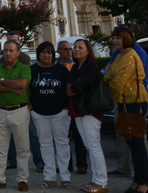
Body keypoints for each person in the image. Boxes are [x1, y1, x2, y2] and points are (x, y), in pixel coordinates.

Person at [104, 27, 148, 193]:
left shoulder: (130, 56)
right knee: (131, 142)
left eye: (119, 38)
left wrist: (110, 79)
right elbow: (107, 76)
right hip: (124, 103)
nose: (115, 41)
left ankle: (144, 182)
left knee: (137, 144)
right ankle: (138, 181)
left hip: (134, 103)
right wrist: (110, 78)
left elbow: (117, 83)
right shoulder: (120, 56)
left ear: (127, 38)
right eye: (114, 37)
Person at [0, 40, 32, 192]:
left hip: (20, 111)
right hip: (0, 111)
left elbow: (23, 84)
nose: (8, 53)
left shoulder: (25, 68)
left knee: (22, 148)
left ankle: (22, 179)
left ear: (18, 53)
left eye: (11, 50)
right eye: (5, 50)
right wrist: (12, 87)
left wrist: (3, 81)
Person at [65, 39, 107, 193]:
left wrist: (72, 87)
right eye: (74, 47)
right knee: (89, 145)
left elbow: (78, 86)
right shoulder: (76, 67)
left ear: (88, 50)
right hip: (78, 110)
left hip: (90, 110)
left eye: (80, 47)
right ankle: (95, 179)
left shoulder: (91, 66)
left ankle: (101, 181)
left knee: (94, 145)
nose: (76, 49)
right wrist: (72, 87)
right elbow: (68, 85)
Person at [29, 41, 72, 189]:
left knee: (62, 144)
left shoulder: (60, 68)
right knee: (45, 144)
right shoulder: (33, 69)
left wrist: (67, 106)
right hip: (39, 114)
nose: (46, 55)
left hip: (60, 112)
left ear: (53, 54)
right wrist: (31, 107)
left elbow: (71, 85)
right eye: (43, 52)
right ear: (38, 54)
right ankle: (49, 177)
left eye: (49, 52)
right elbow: (27, 88)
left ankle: (65, 177)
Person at [2, 32, 43, 173]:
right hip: (10, 100)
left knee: (32, 133)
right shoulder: (2, 60)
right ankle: (12, 160)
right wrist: (9, 84)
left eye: (15, 41)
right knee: (12, 134)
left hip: (26, 102)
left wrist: (5, 83)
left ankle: (39, 161)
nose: (13, 44)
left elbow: (23, 81)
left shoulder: (25, 58)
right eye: (9, 41)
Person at [57, 39, 89, 175]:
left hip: (75, 105)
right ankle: (66, 164)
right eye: (66, 49)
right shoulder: (56, 66)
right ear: (58, 51)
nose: (69, 51)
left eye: (70, 49)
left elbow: (75, 85)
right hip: (61, 106)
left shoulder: (76, 65)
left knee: (79, 136)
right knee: (63, 138)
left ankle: (82, 164)